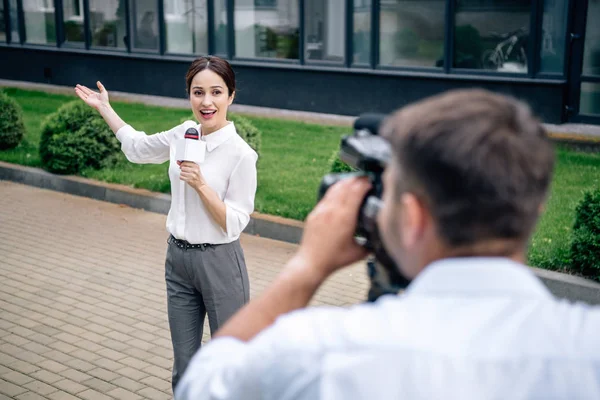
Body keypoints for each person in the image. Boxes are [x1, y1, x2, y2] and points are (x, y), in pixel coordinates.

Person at [175, 89, 600, 399]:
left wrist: (307, 267)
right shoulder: (586, 346)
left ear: (412, 218)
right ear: (535, 208)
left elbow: (205, 384)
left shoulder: (324, 353)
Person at [74, 56, 257, 392]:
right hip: (179, 262)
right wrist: (105, 108)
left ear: (231, 96)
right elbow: (137, 148)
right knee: (185, 366)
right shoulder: (183, 134)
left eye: (216, 92)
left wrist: (202, 185)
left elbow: (234, 223)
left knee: (228, 364)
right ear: (189, 95)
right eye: (198, 92)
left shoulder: (241, 154)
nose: (206, 101)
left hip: (220, 263)